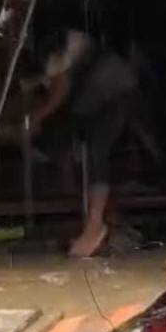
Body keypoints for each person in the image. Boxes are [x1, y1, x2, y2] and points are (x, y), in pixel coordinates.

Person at [24, 28, 141, 258]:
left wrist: (36, 118)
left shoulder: (56, 48)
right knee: (92, 154)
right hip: (102, 95)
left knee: (97, 153)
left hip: (109, 93)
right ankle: (101, 222)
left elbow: (61, 88)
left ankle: (95, 226)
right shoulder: (55, 52)